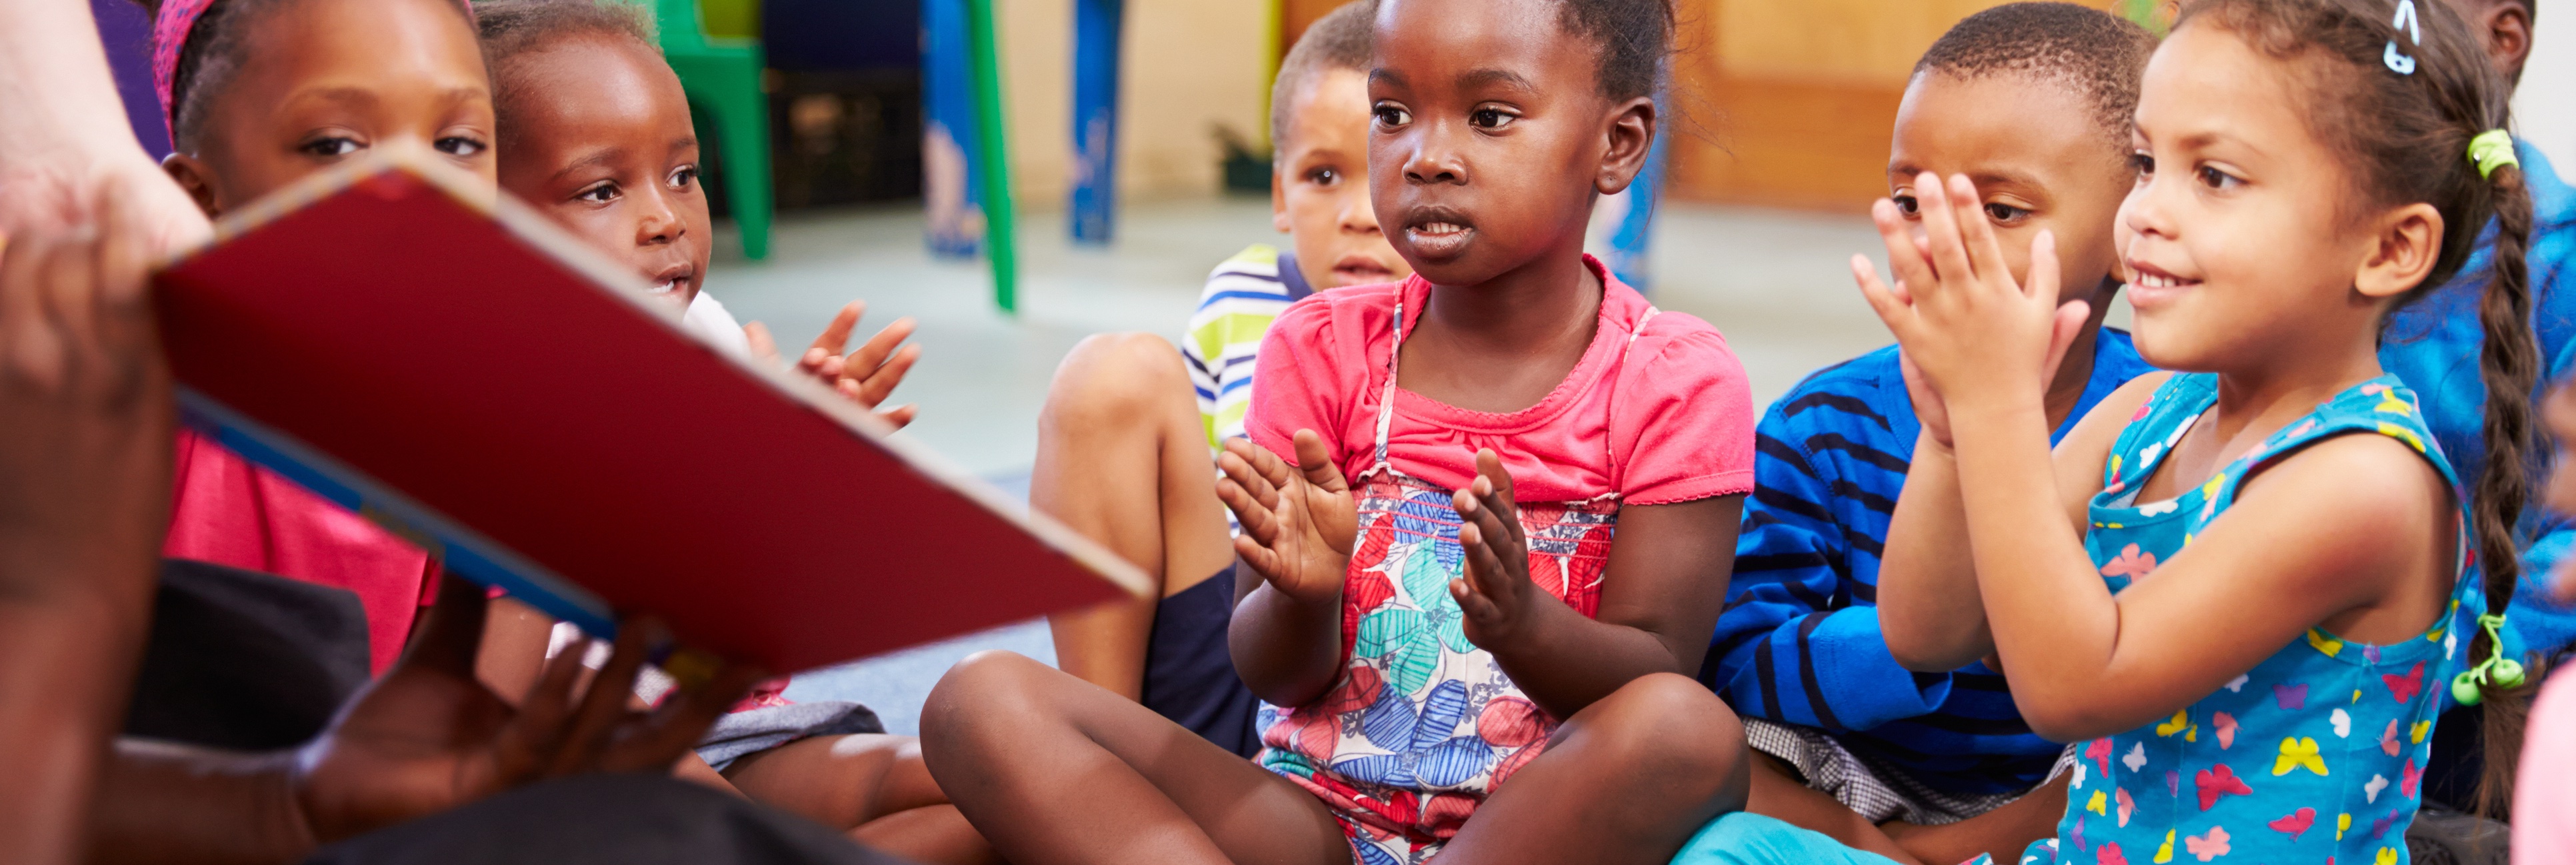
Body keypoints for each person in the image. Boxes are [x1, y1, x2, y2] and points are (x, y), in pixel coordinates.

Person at [920, 0, 1760, 862]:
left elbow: (1656, 669)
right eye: (1393, 114)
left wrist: (1522, 625)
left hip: (1534, 827)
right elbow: (1272, 674)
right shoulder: (1320, 346)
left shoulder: (1674, 375)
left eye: (1489, 117)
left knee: (1689, 729)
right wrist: (1305, 592)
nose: (1426, 156)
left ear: (1617, 144)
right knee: (978, 697)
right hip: (1309, 816)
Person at [1860, 0, 2535, 862]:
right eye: (2145, 162)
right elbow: (1928, 629)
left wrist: (1998, 415)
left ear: (2390, 247)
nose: (2144, 211)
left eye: (2214, 175)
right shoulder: (2150, 415)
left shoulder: (2367, 482)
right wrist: (1951, 433)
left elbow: (2074, 684)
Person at [470, 3, 985, 862]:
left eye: (682, 175)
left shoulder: (703, 332)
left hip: (725, 723)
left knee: (993, 784)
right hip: (572, 749)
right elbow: (489, 692)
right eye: (602, 190)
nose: (666, 219)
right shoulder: (474, 390)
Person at [1701, 6, 2155, 863]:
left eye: (2004, 209)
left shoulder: (2161, 419)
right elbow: (1739, 661)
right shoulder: (1824, 425)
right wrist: (1906, 651)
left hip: (2060, 789)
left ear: (2135, 228)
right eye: (1910, 199)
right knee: (1697, 743)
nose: (1938, 241)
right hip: (1848, 783)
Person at [1030, 0, 1407, 758]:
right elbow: (1178, 502)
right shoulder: (1240, 296)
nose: (1357, 214)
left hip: (1390, 689)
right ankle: (1099, 758)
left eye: (1382, 173)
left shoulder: (1465, 318)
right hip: (1234, 657)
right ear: (1278, 194)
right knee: (1110, 372)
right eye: (1323, 175)